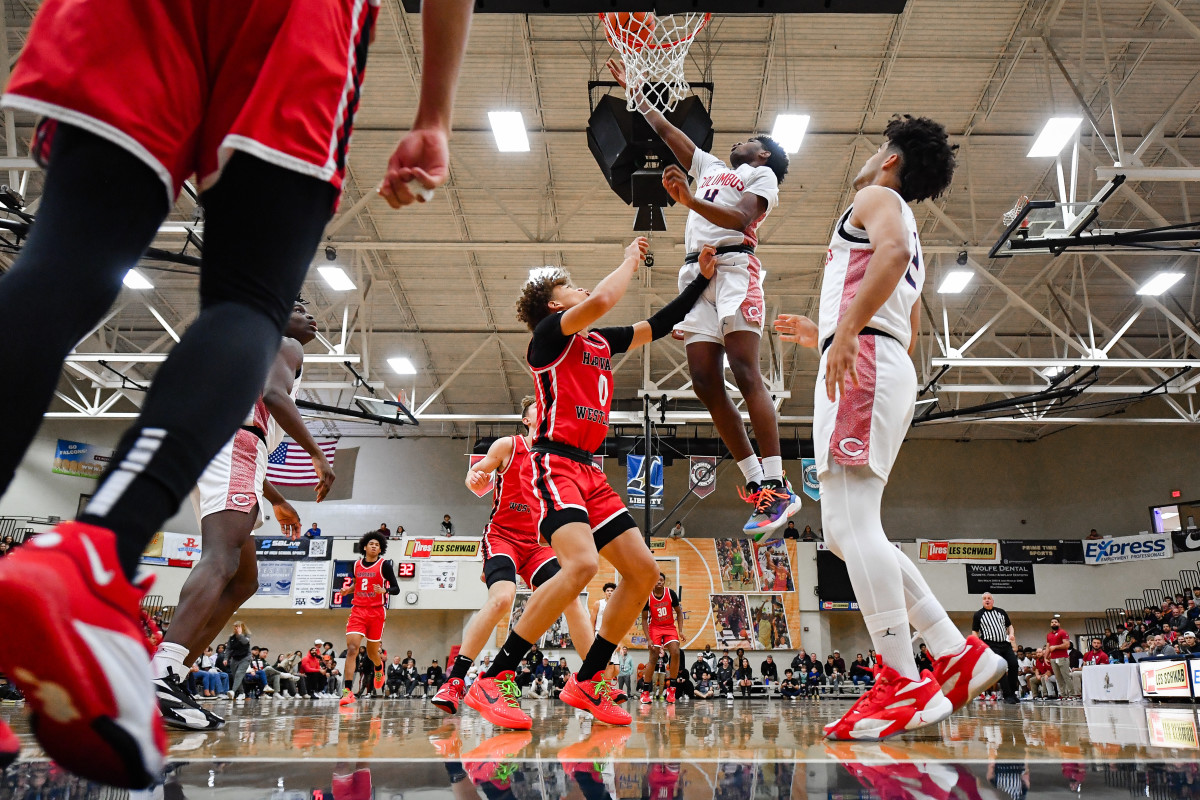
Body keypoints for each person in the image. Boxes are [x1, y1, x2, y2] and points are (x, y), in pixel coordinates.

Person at [0, 0, 475, 786]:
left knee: (64, 255)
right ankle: (99, 556)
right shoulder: (288, 355)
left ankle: (142, 634)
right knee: (248, 303)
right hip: (292, 21)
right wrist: (435, 114)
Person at [774, 115, 1005, 741]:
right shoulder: (895, 214)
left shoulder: (877, 198)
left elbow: (893, 257)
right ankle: (954, 650)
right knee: (852, 530)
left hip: (869, 360)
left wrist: (846, 332)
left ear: (892, 160)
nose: (871, 157)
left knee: (848, 525)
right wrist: (826, 332)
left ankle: (903, 680)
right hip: (881, 359)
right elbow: (902, 306)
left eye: (880, 147)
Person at [464, 237, 714, 730]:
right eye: (568, 285)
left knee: (643, 573)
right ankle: (496, 677)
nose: (579, 288)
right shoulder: (548, 337)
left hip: (591, 471)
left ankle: (590, 677)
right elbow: (601, 300)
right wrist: (629, 259)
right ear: (555, 305)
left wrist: (703, 280)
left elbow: (658, 325)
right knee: (579, 565)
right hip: (555, 464)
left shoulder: (599, 342)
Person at [605, 59, 798, 543]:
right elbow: (669, 131)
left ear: (763, 155)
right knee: (705, 380)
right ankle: (759, 483)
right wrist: (636, 94)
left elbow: (741, 220)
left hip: (734, 267)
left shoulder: (762, 178)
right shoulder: (711, 165)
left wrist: (690, 203)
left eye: (751, 139)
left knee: (744, 369)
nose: (741, 140)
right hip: (696, 272)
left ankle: (777, 479)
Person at [151, 301, 327, 731]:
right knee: (221, 558)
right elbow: (272, 397)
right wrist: (319, 457)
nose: (311, 316)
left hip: (219, 445)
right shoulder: (284, 343)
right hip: (237, 445)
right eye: (299, 307)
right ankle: (161, 672)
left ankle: (173, 674)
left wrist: (277, 498)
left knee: (244, 578)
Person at [432, 396, 594, 718]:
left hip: (538, 545)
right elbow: (477, 472)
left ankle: (591, 679)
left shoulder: (557, 457)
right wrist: (475, 476)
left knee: (572, 598)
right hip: (502, 538)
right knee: (502, 599)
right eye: (539, 407)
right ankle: (454, 681)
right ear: (527, 419)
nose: (546, 409)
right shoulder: (509, 446)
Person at [338, 531, 402, 706]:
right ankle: (347, 692)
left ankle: (379, 667)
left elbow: (396, 588)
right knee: (352, 649)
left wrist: (385, 590)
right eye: (371, 544)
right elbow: (357, 584)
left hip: (376, 612)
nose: (374, 546)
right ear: (365, 546)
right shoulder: (357, 565)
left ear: (380, 549)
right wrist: (347, 590)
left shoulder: (384, 565)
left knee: (373, 653)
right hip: (358, 610)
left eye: (378, 545)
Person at [640, 572, 685, 704]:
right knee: (653, 656)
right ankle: (645, 692)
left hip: (669, 627)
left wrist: (680, 631)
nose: (659, 581)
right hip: (655, 628)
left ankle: (672, 689)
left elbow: (679, 612)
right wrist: (648, 638)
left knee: (676, 652)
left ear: (664, 582)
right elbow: (643, 619)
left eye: (661, 580)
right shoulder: (647, 596)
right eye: (656, 579)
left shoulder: (670, 593)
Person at [972, 592, 1020, 705]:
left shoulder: (1001, 612)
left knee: (1014, 664)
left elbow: (1010, 626)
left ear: (993, 600)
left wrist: (1012, 634)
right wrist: (978, 643)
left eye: (989, 598)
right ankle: (1007, 695)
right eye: (984, 598)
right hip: (990, 645)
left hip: (1005, 643)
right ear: (982, 601)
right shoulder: (978, 615)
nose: (987, 600)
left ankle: (1013, 692)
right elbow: (975, 631)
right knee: (1001, 669)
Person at [1046, 619, 1074, 699]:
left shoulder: (1063, 632)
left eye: (1055, 622)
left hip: (1062, 657)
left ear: (1059, 624)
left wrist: (1055, 647)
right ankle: (1063, 695)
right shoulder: (1049, 635)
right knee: (1058, 678)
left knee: (1066, 676)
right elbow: (1048, 647)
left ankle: (1072, 695)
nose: (1054, 623)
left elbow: (1067, 645)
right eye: (1052, 622)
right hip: (1053, 659)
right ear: (1050, 624)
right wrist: (1045, 657)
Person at [226, 622, 253, 699]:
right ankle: (242, 693)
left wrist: (240, 634)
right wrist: (225, 658)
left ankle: (233, 691)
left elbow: (245, 642)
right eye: (235, 627)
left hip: (245, 658)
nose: (236, 629)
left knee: (239, 673)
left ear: (242, 628)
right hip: (235, 658)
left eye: (238, 627)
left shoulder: (247, 635)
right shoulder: (231, 637)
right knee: (235, 676)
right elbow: (228, 648)